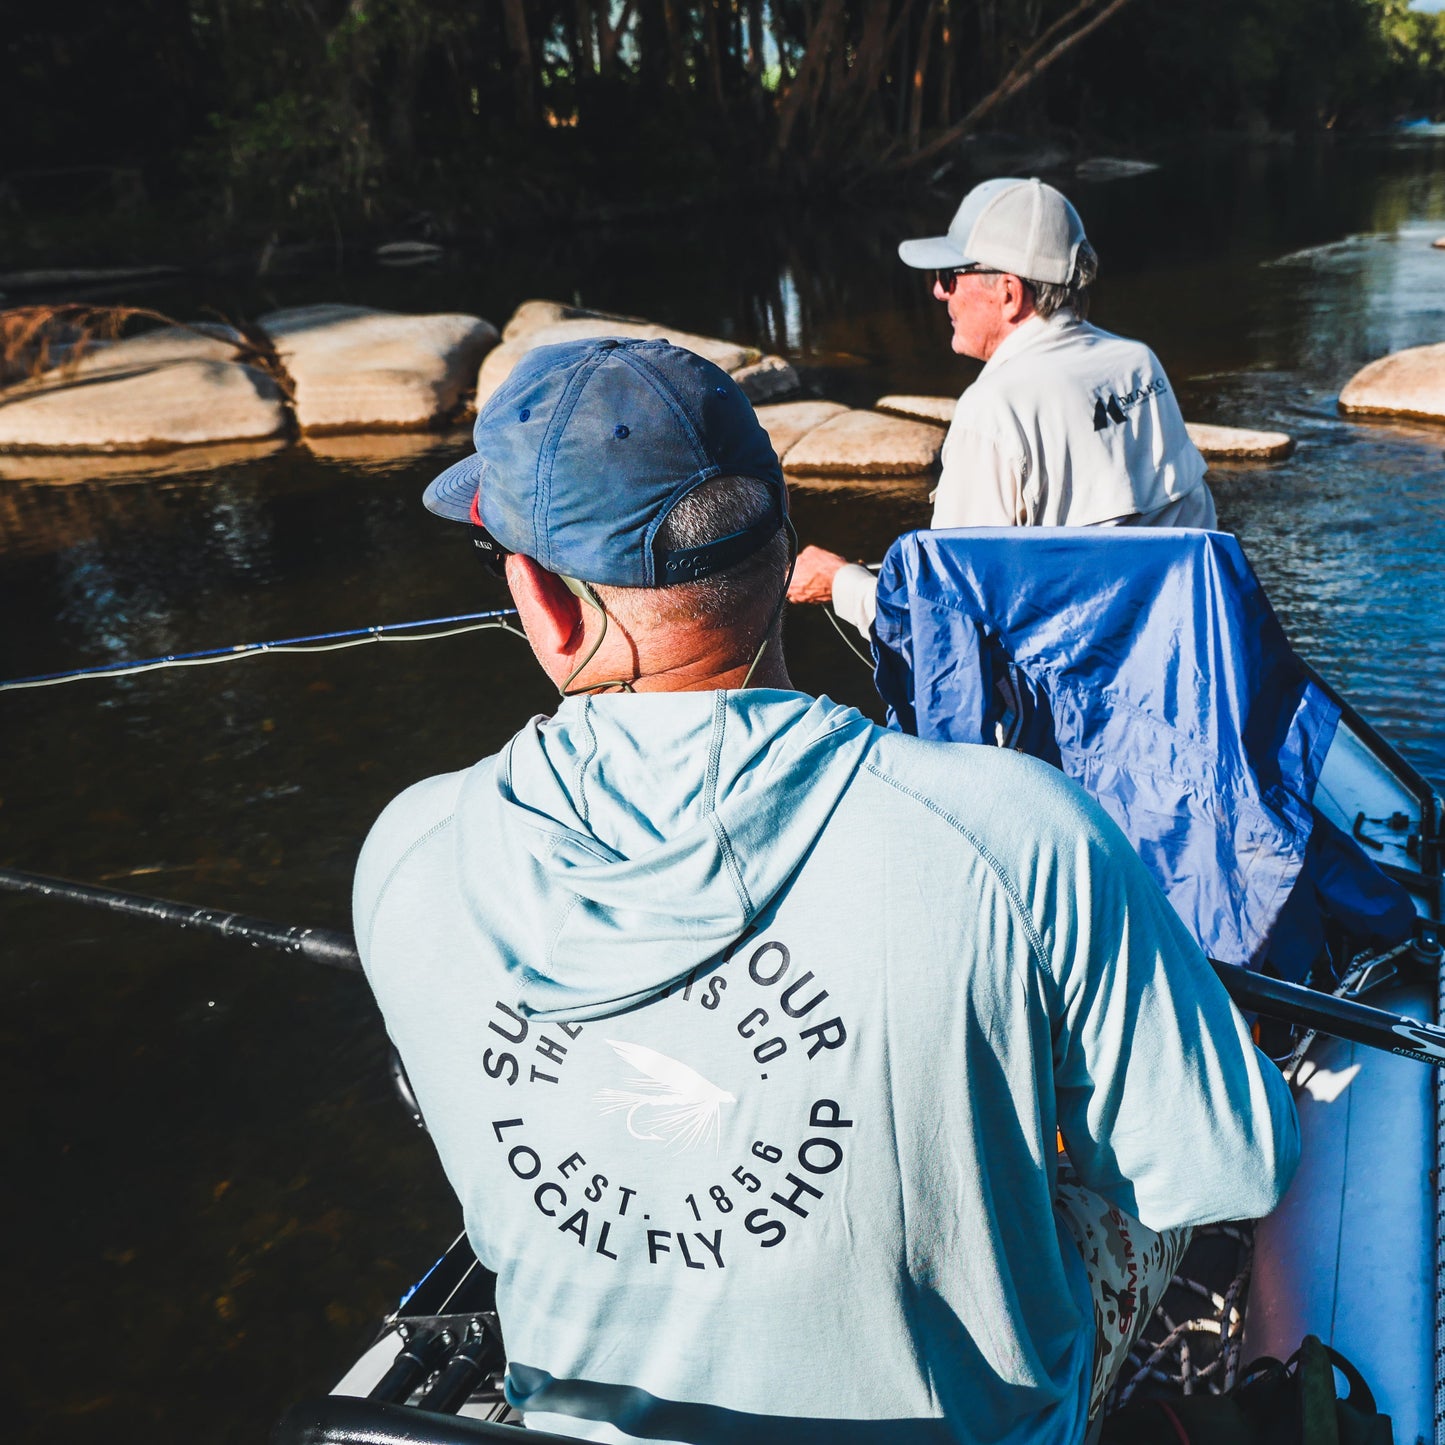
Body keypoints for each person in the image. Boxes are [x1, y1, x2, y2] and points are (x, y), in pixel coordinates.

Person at [353, 336, 1297, 1445]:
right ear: (782, 547)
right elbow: (1226, 1163)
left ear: (544, 605)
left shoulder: (407, 850)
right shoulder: (1018, 831)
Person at [790, 177, 1218, 635]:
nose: (939, 292)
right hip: (1171, 654)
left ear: (1009, 293)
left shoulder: (993, 410)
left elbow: (948, 627)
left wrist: (839, 582)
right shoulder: (1138, 363)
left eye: (950, 276)